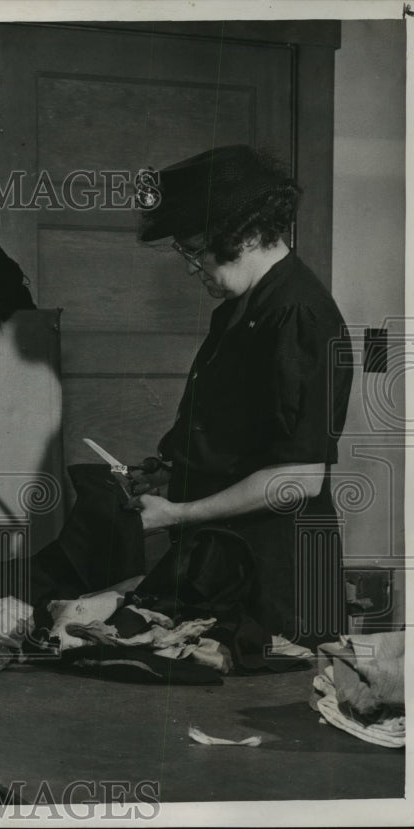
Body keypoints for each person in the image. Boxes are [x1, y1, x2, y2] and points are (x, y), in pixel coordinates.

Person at [133, 144, 353, 651]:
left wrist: (178, 514)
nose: (192, 267)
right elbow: (241, 436)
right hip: (229, 558)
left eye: (196, 249)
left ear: (248, 233)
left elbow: (296, 478)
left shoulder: (299, 315)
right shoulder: (236, 309)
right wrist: (175, 471)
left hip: (283, 575)